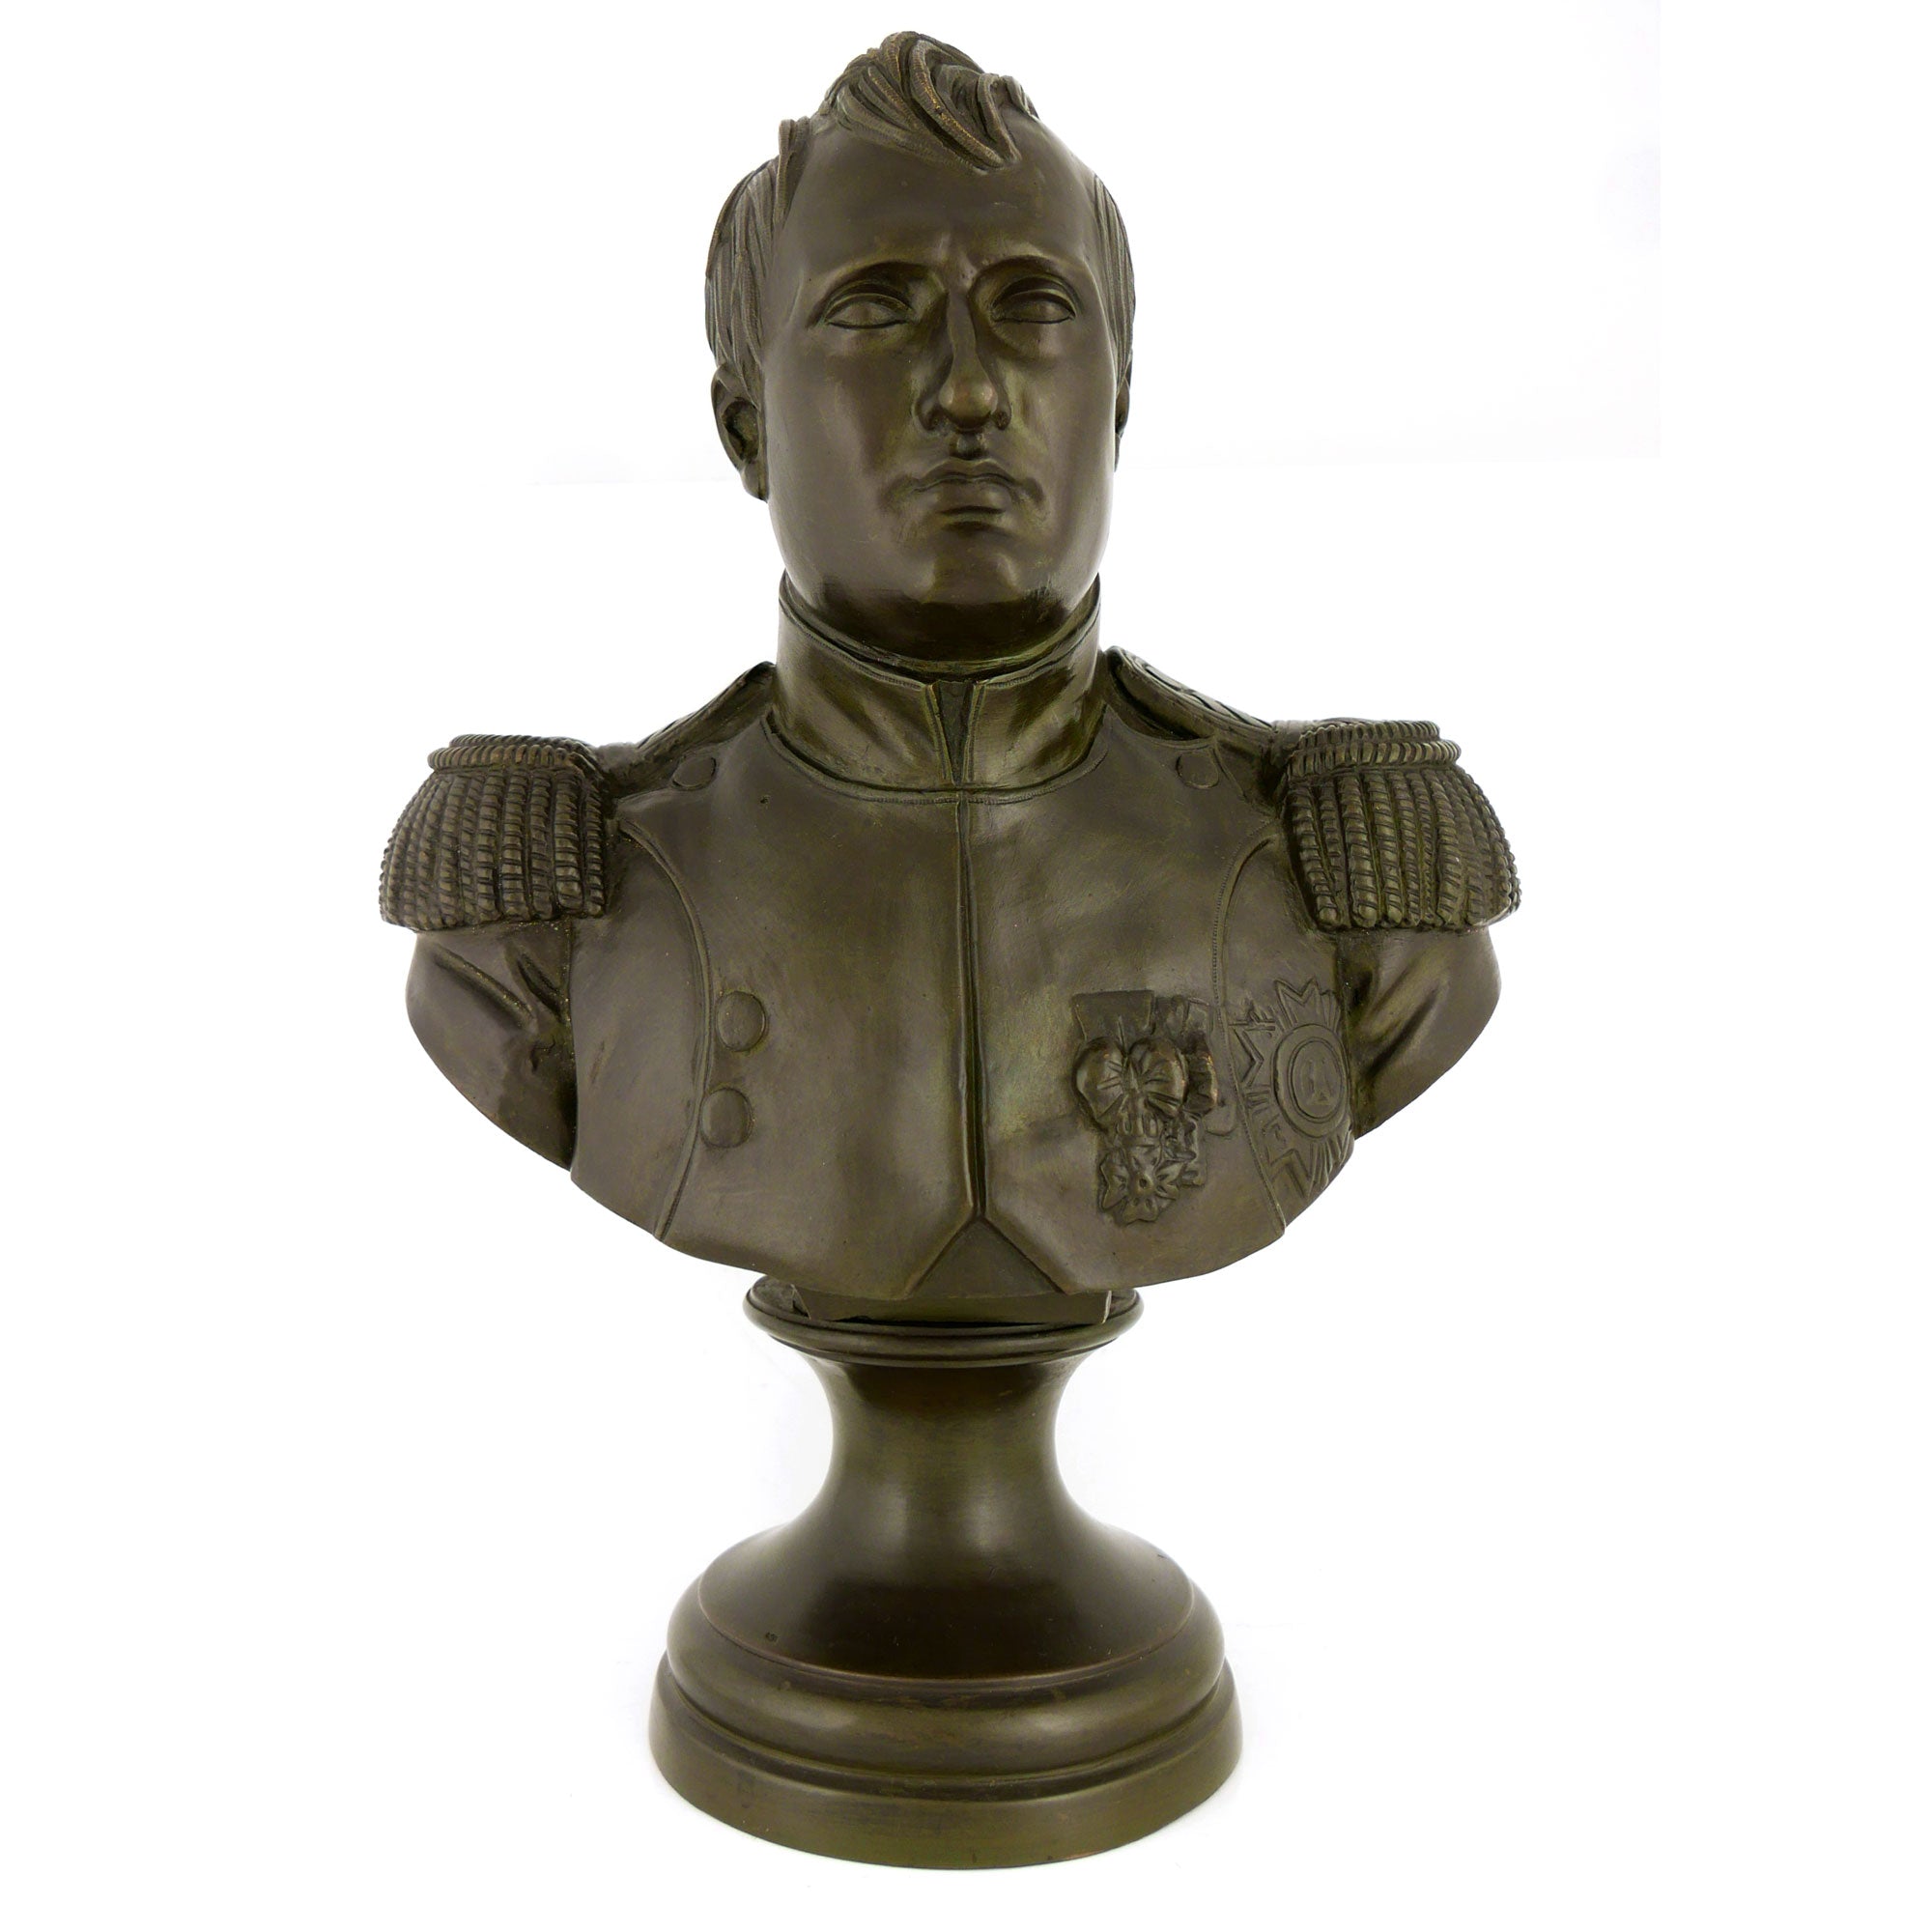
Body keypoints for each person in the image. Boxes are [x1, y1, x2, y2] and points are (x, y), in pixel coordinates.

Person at [380, 32, 1517, 1324]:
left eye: (1034, 306)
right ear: (746, 425)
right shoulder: (539, 924)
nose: (970, 389)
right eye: (876, 308)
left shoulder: (1359, 903)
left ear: (1118, 403)